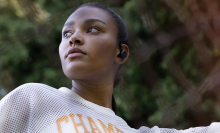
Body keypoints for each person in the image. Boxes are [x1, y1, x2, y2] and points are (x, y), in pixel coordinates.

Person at [0, 2, 219, 133]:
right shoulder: (33, 98)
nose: (73, 38)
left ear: (120, 52)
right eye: (66, 33)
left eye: (93, 29)